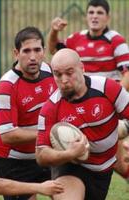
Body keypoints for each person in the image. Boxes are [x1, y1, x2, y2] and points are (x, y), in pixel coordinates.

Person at [47, 0, 129, 181]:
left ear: (108, 17)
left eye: (100, 13)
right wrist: (54, 30)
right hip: (80, 104)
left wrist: (112, 100)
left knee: (114, 160)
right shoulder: (76, 38)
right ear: (86, 16)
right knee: (110, 159)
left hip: (107, 108)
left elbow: (127, 73)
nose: (94, 16)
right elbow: (53, 50)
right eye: (91, 12)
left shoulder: (116, 40)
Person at [35, 48, 129, 200]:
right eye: (57, 74)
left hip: (103, 169)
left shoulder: (107, 89)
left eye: (69, 72)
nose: (64, 80)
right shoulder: (51, 108)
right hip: (69, 167)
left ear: (82, 68)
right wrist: (69, 154)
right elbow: (41, 154)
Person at [0, 26, 57, 200]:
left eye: (37, 50)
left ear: (43, 51)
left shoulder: (50, 72)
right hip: (12, 159)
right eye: (26, 51)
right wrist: (51, 133)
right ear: (16, 53)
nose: (32, 57)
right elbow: (8, 135)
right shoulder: (6, 86)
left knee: (67, 194)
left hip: (44, 153)